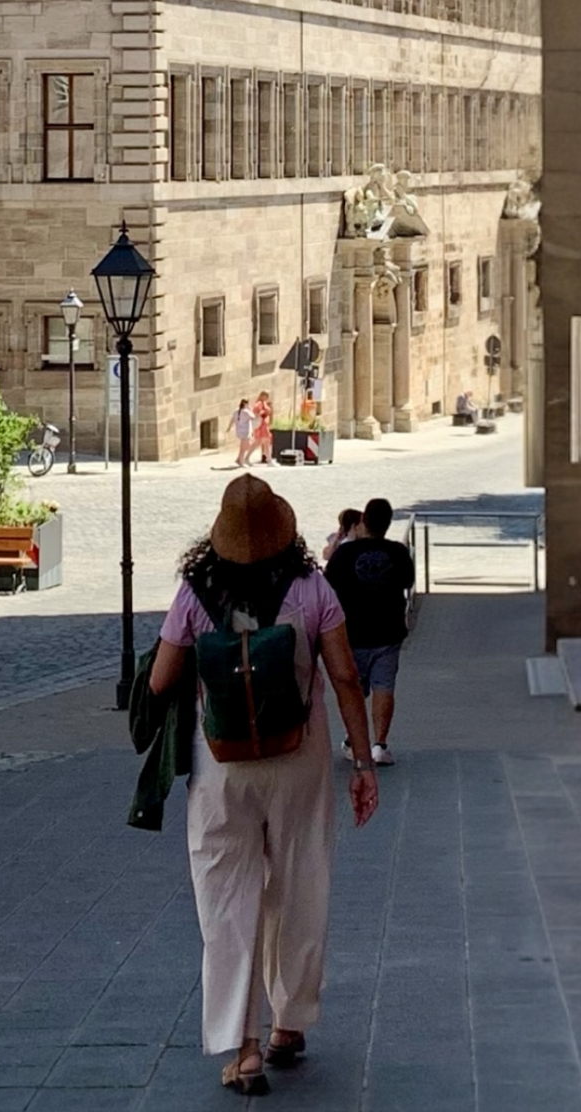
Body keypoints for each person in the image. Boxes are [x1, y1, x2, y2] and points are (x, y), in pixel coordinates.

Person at [150, 475, 379, 1096]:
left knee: (227, 900)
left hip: (222, 765)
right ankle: (288, 1024)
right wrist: (361, 762)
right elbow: (347, 678)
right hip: (299, 758)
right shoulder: (313, 589)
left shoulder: (196, 592)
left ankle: (244, 1050)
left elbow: (160, 681)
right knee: (301, 885)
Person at [323, 497, 414, 768]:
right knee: (384, 686)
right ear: (387, 524)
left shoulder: (345, 554)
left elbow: (328, 587)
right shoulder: (397, 552)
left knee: (354, 690)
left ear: (364, 521)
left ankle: (355, 742)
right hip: (389, 630)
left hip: (352, 633)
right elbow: (407, 581)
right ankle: (380, 746)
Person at [230, 396, 258, 467]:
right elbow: (253, 417)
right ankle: (241, 463)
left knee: (243, 446)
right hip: (246, 431)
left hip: (239, 431)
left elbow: (232, 420)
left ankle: (238, 459)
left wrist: (229, 427)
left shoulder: (236, 411)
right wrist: (250, 409)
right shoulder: (246, 411)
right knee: (243, 448)